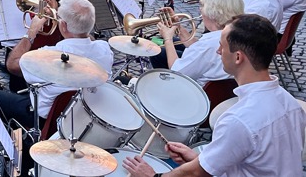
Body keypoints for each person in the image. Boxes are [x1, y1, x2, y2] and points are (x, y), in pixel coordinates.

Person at [123, 14, 306, 177]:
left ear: (238, 57)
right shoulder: (291, 103)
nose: (218, 51)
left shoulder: (238, 120)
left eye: (222, 46)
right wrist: (200, 158)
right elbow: (260, 159)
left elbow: (196, 173)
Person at [0, 0, 113, 128]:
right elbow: (83, 35)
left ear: (63, 26)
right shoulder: (104, 48)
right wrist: (61, 16)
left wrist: (31, 31)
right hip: (83, 117)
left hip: (46, 120)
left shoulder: (47, 55)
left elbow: (12, 64)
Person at [152, 0, 241, 84]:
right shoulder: (239, 32)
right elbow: (197, 48)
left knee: (156, 51)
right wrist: (178, 27)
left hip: (196, 93)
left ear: (211, 13)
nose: (200, 10)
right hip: (223, 93)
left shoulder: (208, 45)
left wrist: (167, 39)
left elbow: (176, 72)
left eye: (202, 6)